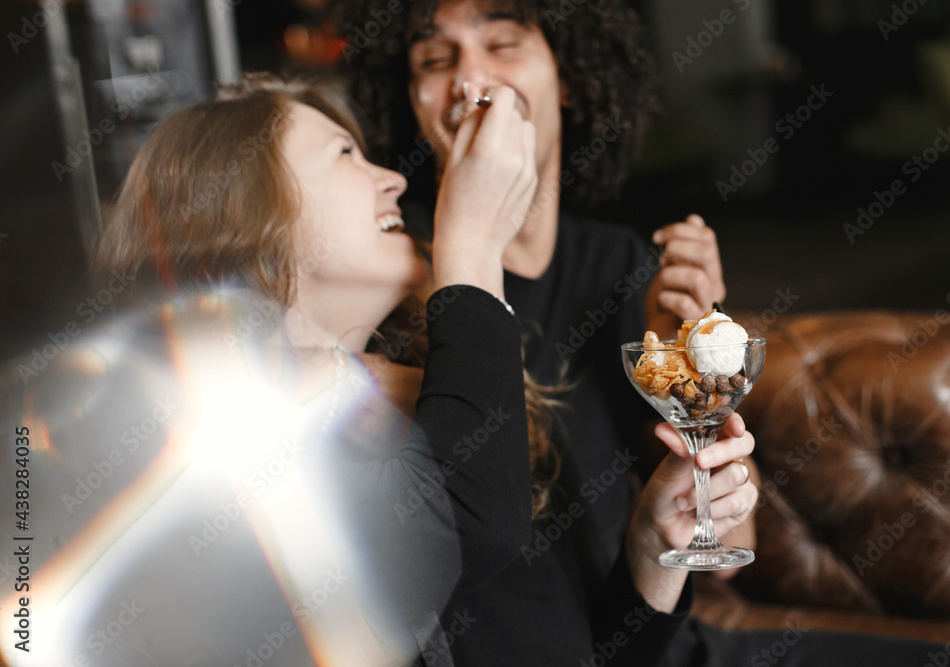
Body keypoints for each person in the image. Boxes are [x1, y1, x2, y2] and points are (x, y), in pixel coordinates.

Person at [331, 1, 950, 665]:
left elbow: (728, 551)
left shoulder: (620, 263)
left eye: (503, 44)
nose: (470, 79)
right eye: (433, 60)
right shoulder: (395, 271)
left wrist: (695, 365)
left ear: (569, 80)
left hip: (653, 632)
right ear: (412, 102)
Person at [0, 72, 547, 667]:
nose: (394, 179)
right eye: (344, 154)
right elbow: (469, 518)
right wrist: (470, 245)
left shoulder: (379, 418)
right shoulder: (184, 430)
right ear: (251, 208)